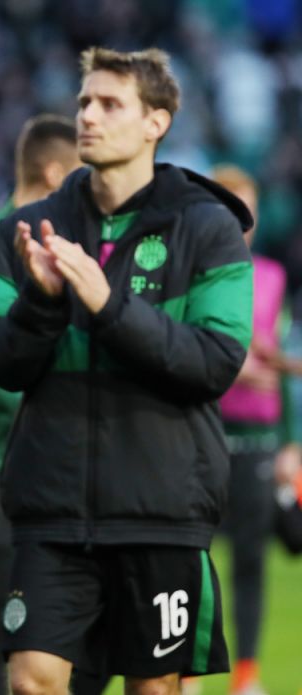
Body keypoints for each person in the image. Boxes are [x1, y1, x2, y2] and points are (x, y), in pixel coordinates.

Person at [0, 47, 254, 695]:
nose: (88, 115)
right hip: (52, 514)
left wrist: (107, 304)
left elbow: (215, 362)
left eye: (110, 103)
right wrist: (40, 304)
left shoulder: (209, 229)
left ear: (157, 122)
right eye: (84, 101)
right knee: (32, 680)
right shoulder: (26, 230)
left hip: (163, 510)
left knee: (154, 689)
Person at [0, 114, 107, 695]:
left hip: (79, 464)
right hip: (3, 465)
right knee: (1, 628)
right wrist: (34, 393)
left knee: (84, 633)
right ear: (58, 171)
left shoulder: (86, 239)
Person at [210, 164, 301, 695]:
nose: (242, 221)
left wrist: (291, 441)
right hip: (206, 425)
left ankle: (246, 673)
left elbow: (280, 360)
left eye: (248, 210)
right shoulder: (197, 272)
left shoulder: (272, 276)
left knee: (250, 558)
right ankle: (190, 662)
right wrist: (228, 362)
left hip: (260, 434)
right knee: (193, 553)